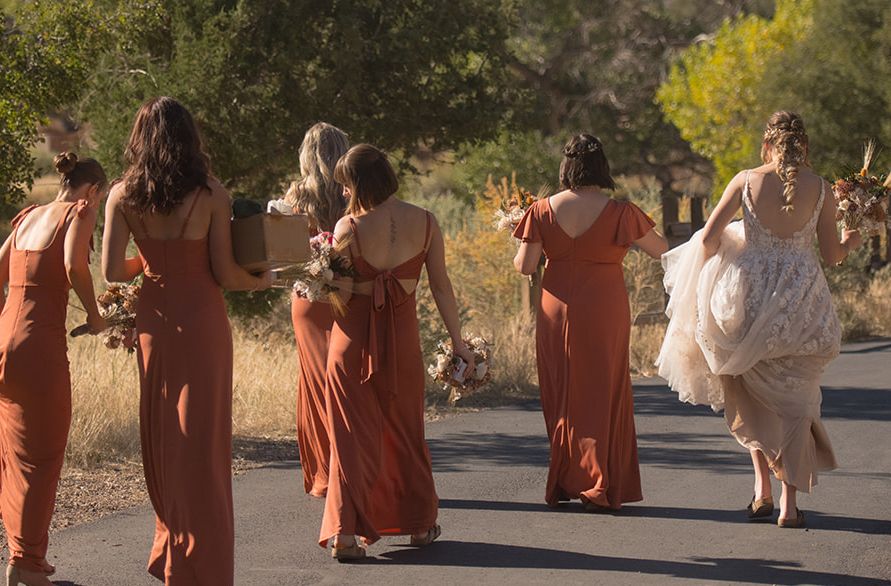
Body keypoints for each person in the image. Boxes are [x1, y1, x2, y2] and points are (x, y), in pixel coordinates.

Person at [100, 97, 271, 586]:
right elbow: (224, 273)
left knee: (167, 438)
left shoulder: (121, 195)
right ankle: (202, 572)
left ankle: (173, 552)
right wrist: (261, 282)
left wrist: (154, 265)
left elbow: (111, 270)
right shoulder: (213, 195)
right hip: (203, 319)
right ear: (188, 138)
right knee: (204, 442)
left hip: (154, 318)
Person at [658, 110, 861, 528]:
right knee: (796, 400)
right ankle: (789, 504)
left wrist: (738, 244)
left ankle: (761, 491)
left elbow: (710, 239)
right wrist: (851, 238)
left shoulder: (745, 180)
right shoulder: (821, 189)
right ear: (804, 147)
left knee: (747, 388)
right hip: (801, 305)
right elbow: (832, 255)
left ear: (766, 145)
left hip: (745, 297)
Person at [320, 144, 475, 561]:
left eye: (346, 185)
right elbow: (442, 286)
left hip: (351, 343)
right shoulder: (425, 222)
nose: (343, 194)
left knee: (349, 438)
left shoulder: (347, 227)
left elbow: (340, 293)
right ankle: (420, 525)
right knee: (407, 430)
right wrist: (459, 344)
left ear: (357, 185)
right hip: (403, 344)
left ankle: (345, 535)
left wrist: (315, 277)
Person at [513, 134, 668, 511]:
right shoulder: (623, 213)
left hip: (557, 307)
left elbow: (525, 266)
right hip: (606, 306)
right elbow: (664, 252)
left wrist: (522, 235)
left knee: (562, 389)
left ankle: (569, 477)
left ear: (565, 167)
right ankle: (601, 480)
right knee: (605, 389)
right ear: (603, 168)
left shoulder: (541, 210)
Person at [0, 151, 108, 586]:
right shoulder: (81, 212)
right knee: (44, 456)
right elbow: (75, 266)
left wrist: (6, 336)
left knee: (17, 456)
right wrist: (96, 316)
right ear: (92, 190)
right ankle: (27, 564)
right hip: (38, 348)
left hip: (2, 347)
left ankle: (23, 555)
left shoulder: (29, 216)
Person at [282, 121, 351, 497]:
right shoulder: (353, 194)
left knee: (315, 384)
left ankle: (327, 471)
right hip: (348, 293)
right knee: (348, 382)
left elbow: (287, 257)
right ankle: (350, 467)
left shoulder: (295, 197)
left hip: (308, 299)